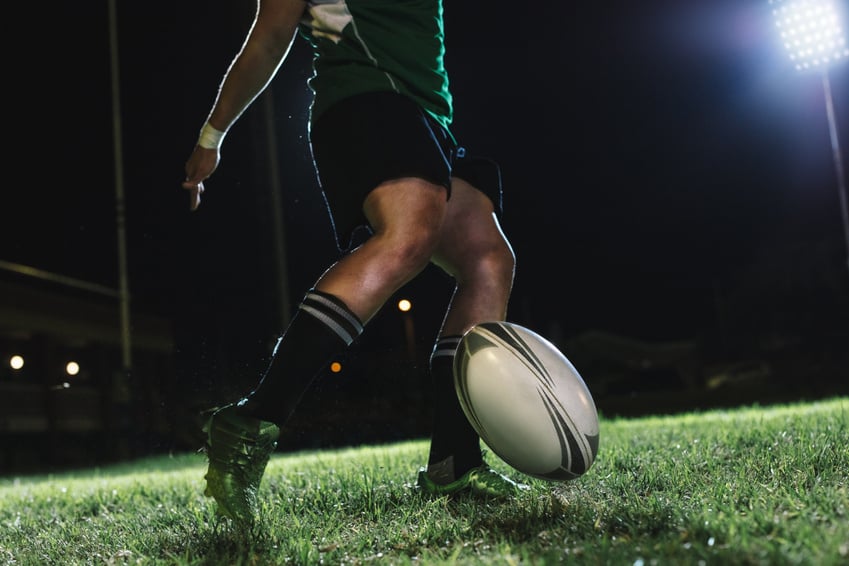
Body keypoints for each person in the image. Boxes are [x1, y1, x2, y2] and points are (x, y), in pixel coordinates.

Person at [182, 0, 527, 525]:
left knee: (487, 260)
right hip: (367, 101)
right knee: (408, 237)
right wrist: (212, 134)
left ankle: (453, 461)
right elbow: (270, 35)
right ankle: (252, 420)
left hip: (428, 117)